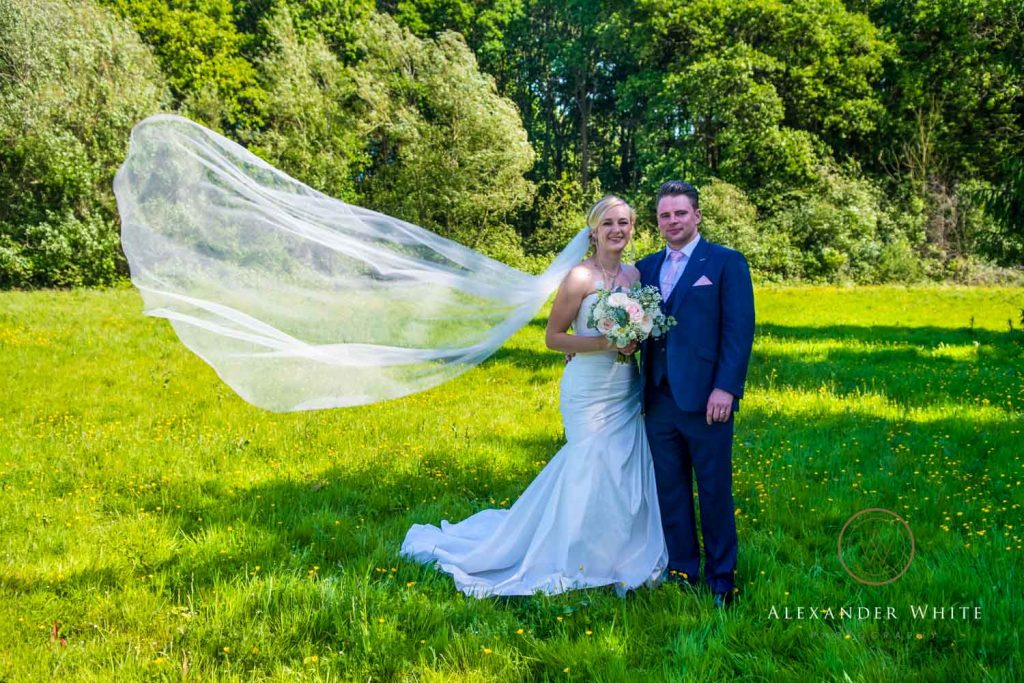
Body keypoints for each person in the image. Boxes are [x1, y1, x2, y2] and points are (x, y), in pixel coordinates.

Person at [400, 196, 668, 597]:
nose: (617, 230)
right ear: (593, 231)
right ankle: (573, 553)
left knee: (623, 465)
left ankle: (618, 550)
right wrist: (605, 342)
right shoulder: (579, 277)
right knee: (588, 460)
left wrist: (633, 340)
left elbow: (641, 325)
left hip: (625, 386)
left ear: (633, 228)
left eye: (624, 222)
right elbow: (553, 337)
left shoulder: (635, 275)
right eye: (608, 223)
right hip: (589, 387)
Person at [635, 180, 755, 608]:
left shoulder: (725, 263)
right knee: (670, 488)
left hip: (708, 399)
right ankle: (683, 568)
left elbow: (739, 332)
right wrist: (582, 349)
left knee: (714, 488)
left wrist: (726, 387)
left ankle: (722, 579)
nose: (672, 221)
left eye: (680, 213)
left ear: (697, 215)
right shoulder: (645, 268)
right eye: (665, 215)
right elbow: (617, 315)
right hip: (658, 396)